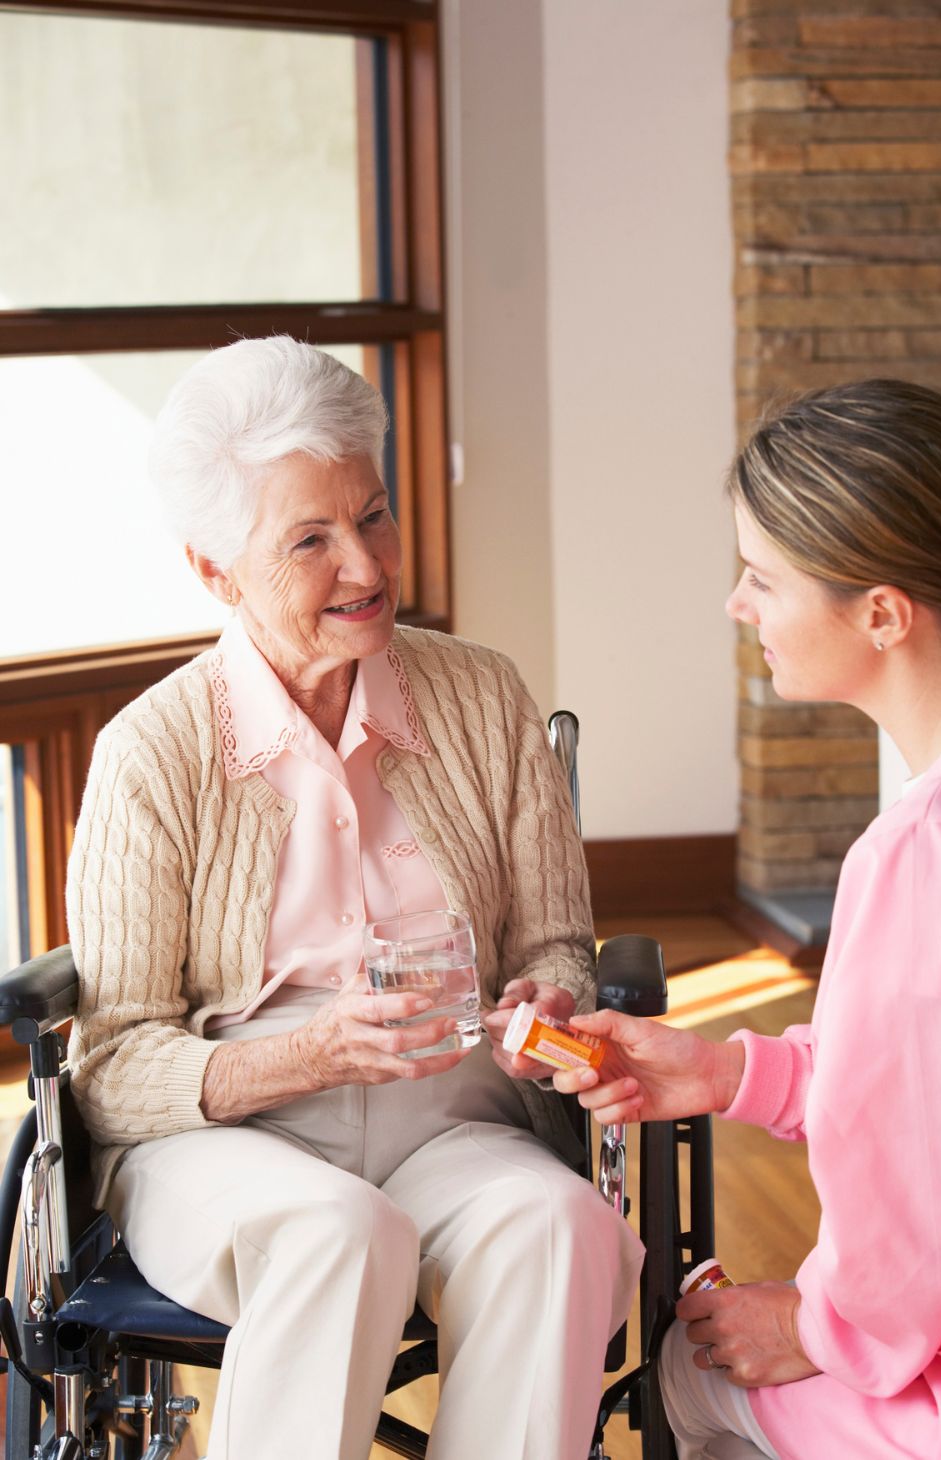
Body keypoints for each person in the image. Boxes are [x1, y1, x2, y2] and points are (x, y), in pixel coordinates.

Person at [66, 334, 643, 1460]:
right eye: (311, 540)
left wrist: (548, 1009)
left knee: (562, 1224)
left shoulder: (483, 695)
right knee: (337, 1230)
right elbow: (113, 1063)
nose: (368, 567)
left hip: (457, 1112)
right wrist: (307, 1054)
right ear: (214, 570)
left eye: (372, 515)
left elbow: (561, 943)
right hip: (230, 1135)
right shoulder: (155, 751)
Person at [552, 379, 941, 1459]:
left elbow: (930, 1178)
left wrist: (813, 1320)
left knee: (682, 1371)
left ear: (883, 613)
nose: (737, 604)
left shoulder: (929, 850)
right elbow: (936, 1071)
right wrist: (729, 1074)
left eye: (761, 576)